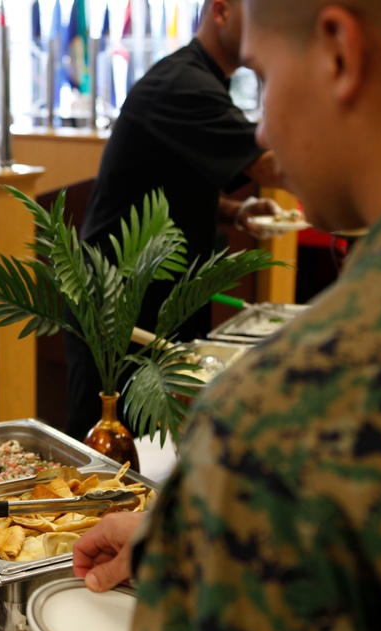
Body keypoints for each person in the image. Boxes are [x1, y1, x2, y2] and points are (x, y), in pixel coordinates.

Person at [73, 0, 381, 631]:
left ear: (339, 55)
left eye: (262, 78)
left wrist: (216, 520)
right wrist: (180, 529)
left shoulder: (286, 417)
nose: (262, 125)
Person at [63, 0, 288, 440]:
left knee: (153, 442)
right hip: (118, 301)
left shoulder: (204, 80)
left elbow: (169, 184)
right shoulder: (183, 83)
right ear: (221, 11)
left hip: (158, 297)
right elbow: (274, 166)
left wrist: (237, 211)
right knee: (104, 445)